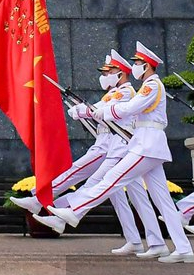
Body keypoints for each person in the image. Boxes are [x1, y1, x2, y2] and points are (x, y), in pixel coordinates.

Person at [34, 44, 193, 262]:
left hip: (146, 145)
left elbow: (129, 108)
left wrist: (103, 112)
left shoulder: (151, 85)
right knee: (162, 200)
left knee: (112, 179)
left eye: (137, 63)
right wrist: (98, 112)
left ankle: (76, 209)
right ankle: (172, 247)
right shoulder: (149, 85)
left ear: (147, 65)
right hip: (146, 143)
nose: (134, 66)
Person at [14, 51, 161, 255]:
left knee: (93, 182)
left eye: (108, 71)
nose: (104, 75)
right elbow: (101, 109)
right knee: (125, 197)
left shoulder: (125, 92)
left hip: (118, 147)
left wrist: (83, 111)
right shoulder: (114, 92)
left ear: (120, 73)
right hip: (114, 145)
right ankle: (137, 240)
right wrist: (82, 110)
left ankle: (48, 203)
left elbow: (103, 109)